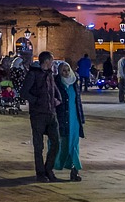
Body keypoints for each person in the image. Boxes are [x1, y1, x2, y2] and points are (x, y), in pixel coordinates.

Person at [22, 51, 61, 182]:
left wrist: (58, 99)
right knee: (38, 146)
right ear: (46, 61)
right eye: (52, 61)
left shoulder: (49, 74)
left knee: (56, 142)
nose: (53, 63)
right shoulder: (33, 74)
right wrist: (37, 101)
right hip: (38, 114)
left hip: (51, 113)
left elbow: (54, 89)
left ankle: (48, 169)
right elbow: (24, 92)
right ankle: (40, 173)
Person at [53, 61, 85, 181]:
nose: (66, 73)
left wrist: (81, 118)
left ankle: (74, 170)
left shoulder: (74, 82)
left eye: (67, 70)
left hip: (74, 119)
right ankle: (51, 168)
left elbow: (78, 102)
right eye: (63, 71)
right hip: (61, 118)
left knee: (74, 145)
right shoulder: (56, 83)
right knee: (60, 144)